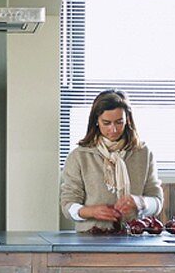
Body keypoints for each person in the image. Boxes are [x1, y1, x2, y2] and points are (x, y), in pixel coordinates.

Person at [59, 89, 164, 232]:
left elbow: (157, 202)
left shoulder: (143, 154)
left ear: (128, 120)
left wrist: (141, 202)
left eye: (119, 122)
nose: (113, 129)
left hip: (134, 238)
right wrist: (91, 211)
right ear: (96, 121)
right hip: (90, 239)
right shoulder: (79, 156)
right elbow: (68, 204)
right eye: (106, 123)